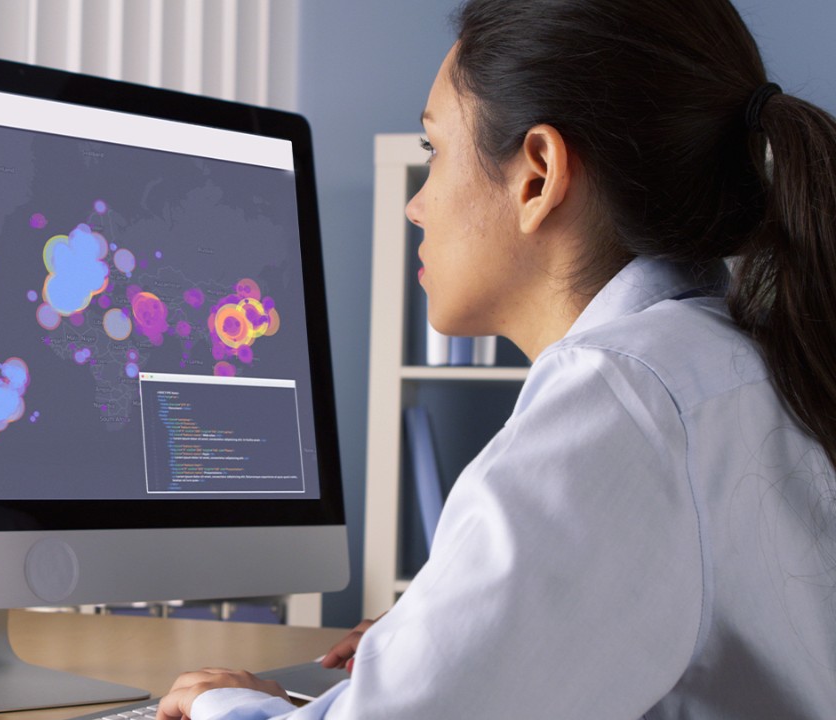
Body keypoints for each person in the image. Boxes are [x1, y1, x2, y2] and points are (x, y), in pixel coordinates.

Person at [157, 0, 836, 717]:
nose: (416, 207)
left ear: (536, 175)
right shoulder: (732, 359)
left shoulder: (624, 399)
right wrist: (440, 639)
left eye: (434, 151)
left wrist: (226, 705)